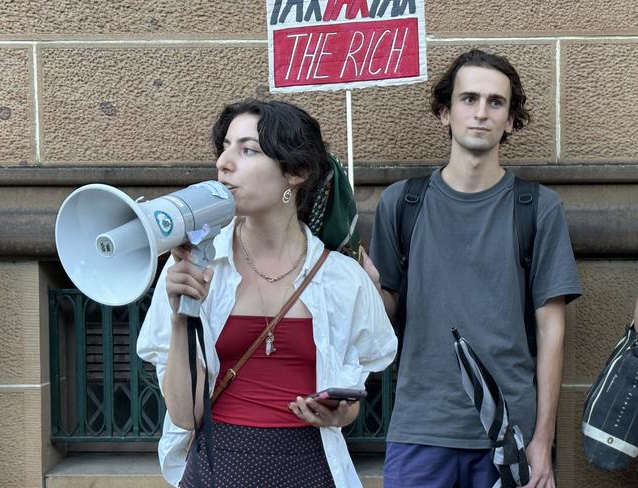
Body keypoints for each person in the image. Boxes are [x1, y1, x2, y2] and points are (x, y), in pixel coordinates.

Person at [137, 100, 397, 488]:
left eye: (248, 149)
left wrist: (338, 415)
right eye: (225, 146)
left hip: (310, 466)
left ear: (295, 171)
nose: (225, 162)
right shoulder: (194, 268)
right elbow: (185, 415)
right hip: (219, 465)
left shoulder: (343, 279)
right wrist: (180, 318)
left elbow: (352, 402)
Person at [366, 49, 582, 488]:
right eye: (468, 99)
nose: (481, 112)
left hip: (508, 433)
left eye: (495, 102)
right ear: (445, 112)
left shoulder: (538, 207)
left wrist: (543, 441)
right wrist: (364, 286)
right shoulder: (402, 203)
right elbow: (384, 312)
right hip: (420, 429)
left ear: (511, 120)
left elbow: (551, 330)